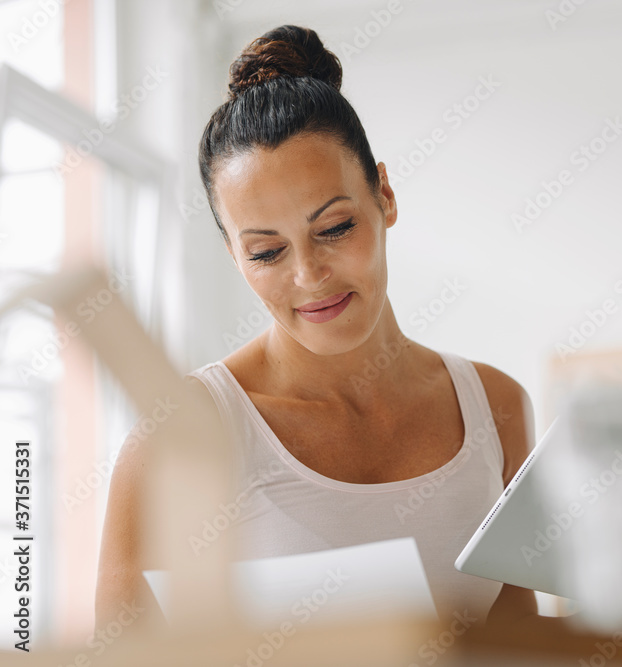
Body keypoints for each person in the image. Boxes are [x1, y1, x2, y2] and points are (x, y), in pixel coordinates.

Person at [95, 24, 548, 634]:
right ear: (234, 255)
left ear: (384, 195)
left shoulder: (497, 408)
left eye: (334, 228)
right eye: (266, 252)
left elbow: (521, 643)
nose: (309, 276)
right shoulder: (183, 437)